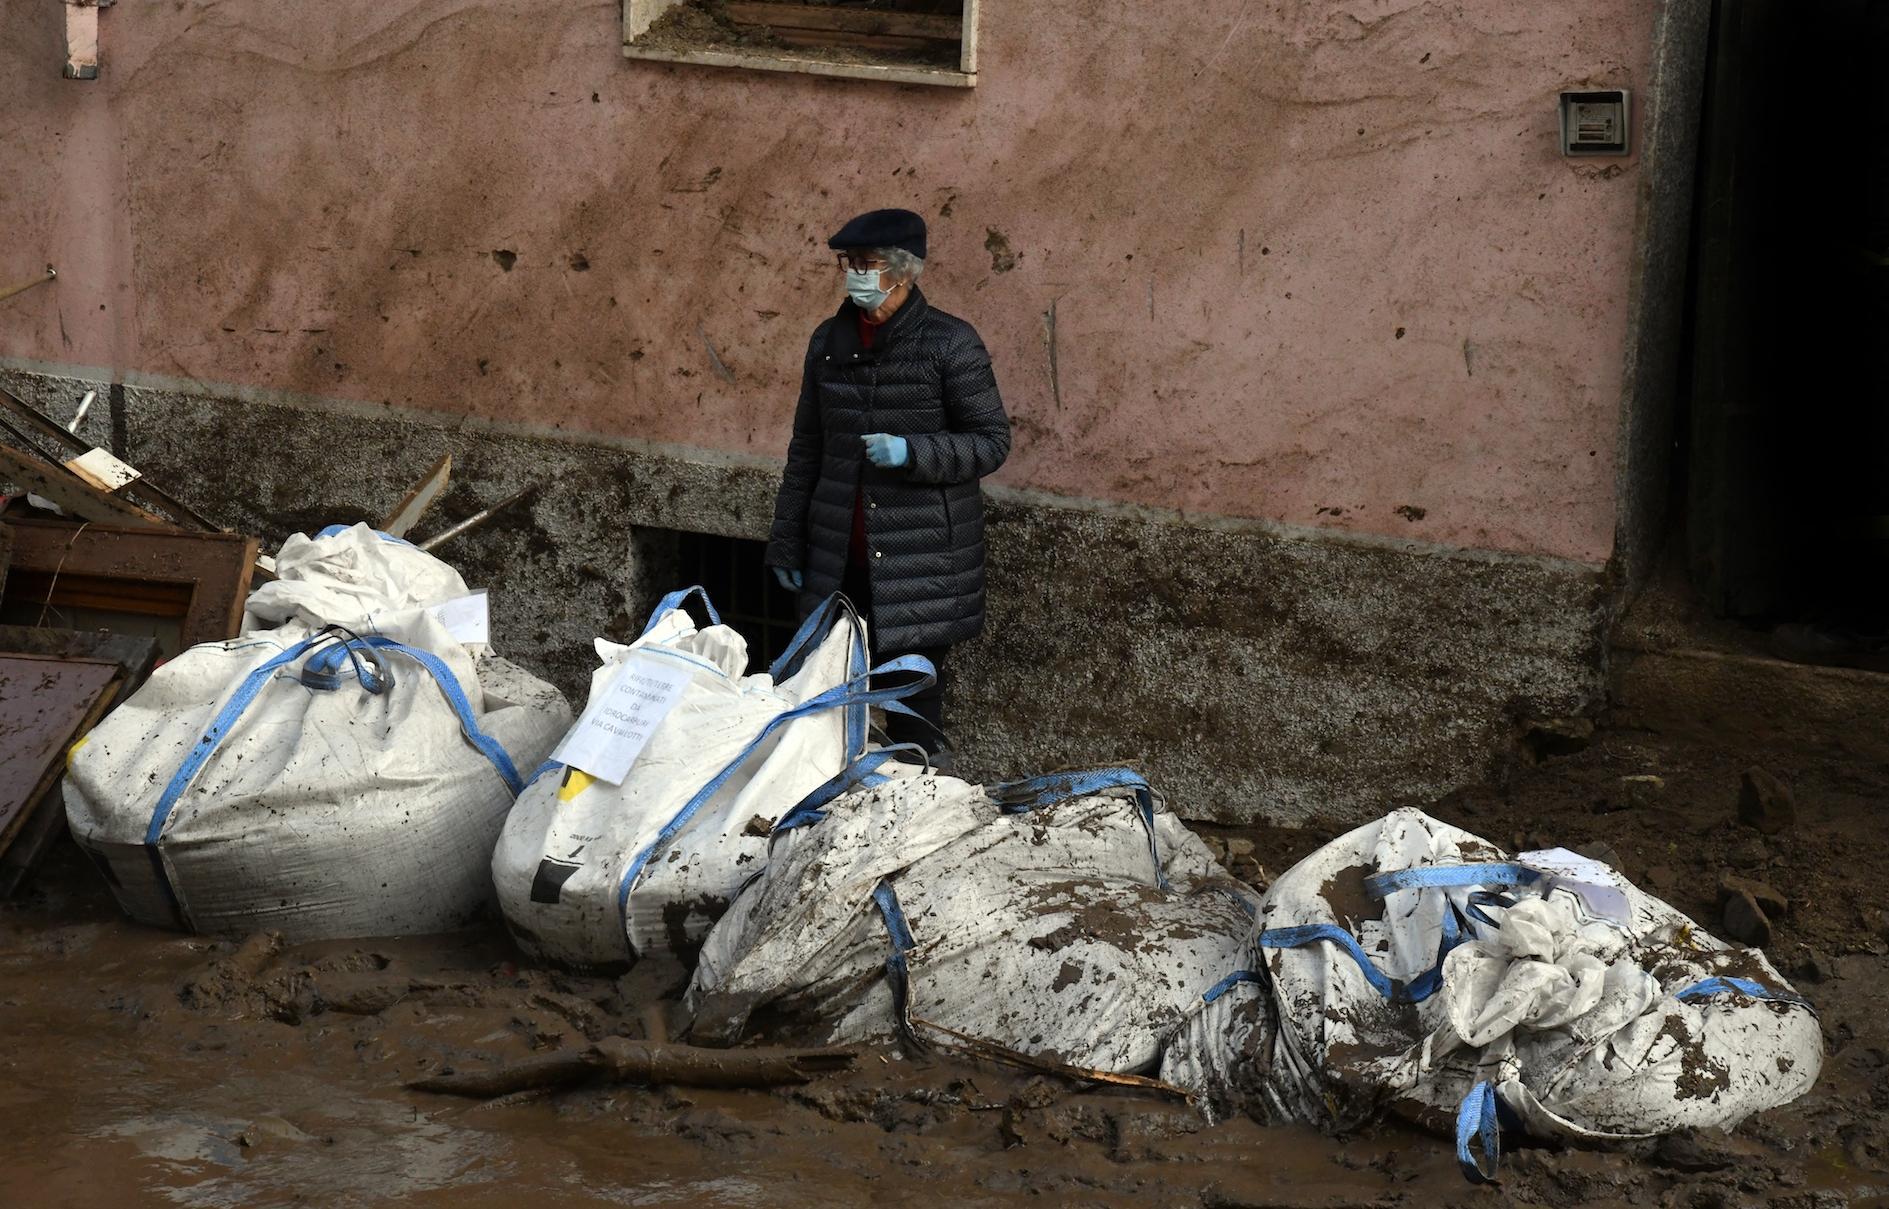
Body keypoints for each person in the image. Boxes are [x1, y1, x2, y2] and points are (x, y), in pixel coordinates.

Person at [765, 208, 1011, 767]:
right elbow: (806, 448)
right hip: (836, 555)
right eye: (849, 264)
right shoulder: (828, 343)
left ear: (903, 271)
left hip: (919, 562)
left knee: (911, 699)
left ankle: (918, 805)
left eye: (867, 264)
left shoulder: (950, 343)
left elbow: (991, 441)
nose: (855, 274)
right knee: (818, 691)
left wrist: (913, 451)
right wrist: (787, 538)